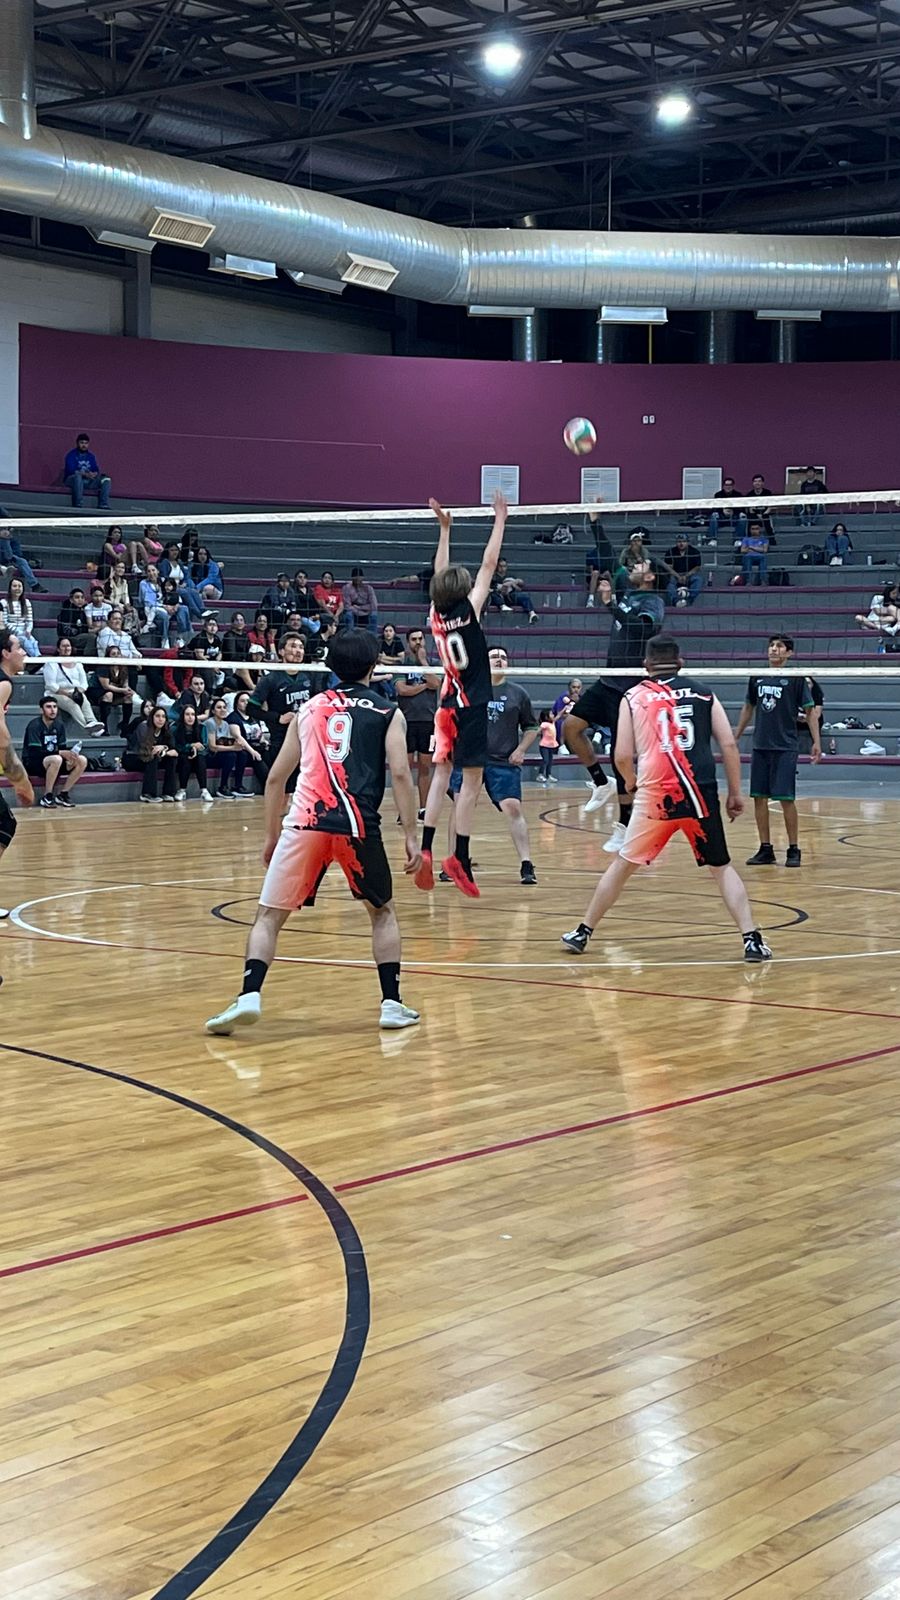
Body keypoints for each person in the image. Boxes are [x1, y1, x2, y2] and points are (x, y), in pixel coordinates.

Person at [205, 629, 422, 1036]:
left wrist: (272, 837)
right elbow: (400, 773)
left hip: (305, 822)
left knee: (269, 916)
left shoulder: (310, 708)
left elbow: (276, 780)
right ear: (374, 666)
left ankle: (249, 994)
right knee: (382, 913)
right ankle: (391, 1002)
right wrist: (411, 833)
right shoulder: (389, 712)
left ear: (328, 665)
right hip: (358, 825)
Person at [560, 635, 772, 964]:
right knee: (721, 867)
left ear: (645, 665)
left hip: (656, 796)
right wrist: (734, 793)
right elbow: (729, 745)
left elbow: (622, 756)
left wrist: (630, 783)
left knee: (623, 865)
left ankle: (582, 932)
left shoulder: (633, 696)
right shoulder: (704, 692)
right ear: (681, 662)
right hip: (699, 792)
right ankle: (751, 939)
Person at [416, 490, 508, 898]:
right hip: (471, 706)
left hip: (447, 704)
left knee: (440, 777)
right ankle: (460, 857)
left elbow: (440, 575)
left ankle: (424, 849)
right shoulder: (469, 611)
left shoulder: (435, 615)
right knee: (470, 784)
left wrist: (445, 530)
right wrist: (501, 519)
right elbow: (489, 564)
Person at [564, 565, 665, 853]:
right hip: (607, 683)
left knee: (620, 758)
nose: (633, 566)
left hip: (630, 691)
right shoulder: (627, 591)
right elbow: (608, 555)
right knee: (570, 727)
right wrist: (595, 520)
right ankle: (599, 781)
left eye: (640, 565)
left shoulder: (653, 603)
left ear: (651, 576)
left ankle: (624, 826)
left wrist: (610, 606)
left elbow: (641, 629)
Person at [444, 646, 539, 885]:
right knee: (459, 807)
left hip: (502, 761)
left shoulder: (518, 693)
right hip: (470, 760)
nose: (499, 660)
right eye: (494, 657)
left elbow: (531, 727)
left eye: (503, 657)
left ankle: (527, 864)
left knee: (513, 808)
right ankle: (454, 860)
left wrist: (520, 750)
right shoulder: (469, 690)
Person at [734, 634, 822, 867]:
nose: (774, 649)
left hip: (785, 746)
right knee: (759, 798)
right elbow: (748, 707)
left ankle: (794, 849)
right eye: (772, 646)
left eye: (779, 646)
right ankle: (765, 849)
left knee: (785, 799)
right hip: (761, 745)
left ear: (789, 653)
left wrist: (816, 741)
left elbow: (810, 711)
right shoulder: (757, 677)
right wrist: (736, 735)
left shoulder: (796, 678)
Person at [0, 628, 35, 919]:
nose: (24, 652)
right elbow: (0, 738)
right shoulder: (3, 684)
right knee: (3, 825)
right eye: (19, 647)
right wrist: (19, 779)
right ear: (5, 653)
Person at [249, 633, 314, 767]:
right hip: (282, 740)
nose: (298, 651)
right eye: (293, 646)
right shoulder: (270, 679)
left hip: (307, 737)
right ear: (281, 651)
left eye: (301, 647)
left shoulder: (310, 675)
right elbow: (251, 709)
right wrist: (278, 718)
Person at [397, 626, 439, 815]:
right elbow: (402, 690)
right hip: (406, 723)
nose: (418, 642)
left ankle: (423, 809)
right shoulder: (402, 664)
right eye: (414, 639)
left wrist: (423, 661)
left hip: (428, 722)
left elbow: (436, 684)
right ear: (408, 643)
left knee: (425, 768)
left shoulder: (432, 663)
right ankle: (404, 810)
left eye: (420, 639)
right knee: (403, 769)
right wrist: (424, 686)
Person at [22, 695, 88, 808]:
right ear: (41, 710)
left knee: (81, 760)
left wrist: (69, 758)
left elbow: (62, 747)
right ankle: (47, 796)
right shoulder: (34, 725)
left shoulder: (59, 725)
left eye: (55, 707)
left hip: (53, 761)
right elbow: (35, 752)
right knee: (56, 759)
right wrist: (61, 754)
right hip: (34, 763)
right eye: (48, 707)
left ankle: (63, 794)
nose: (52, 710)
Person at [43, 637, 105, 735]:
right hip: (56, 693)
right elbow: (51, 685)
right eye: (63, 646)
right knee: (73, 705)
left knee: (84, 700)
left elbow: (84, 683)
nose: (66, 648)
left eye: (68, 646)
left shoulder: (78, 663)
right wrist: (67, 694)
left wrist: (79, 691)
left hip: (75, 692)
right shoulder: (52, 663)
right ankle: (88, 728)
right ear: (58, 649)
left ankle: (92, 721)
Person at [127, 705, 179, 801]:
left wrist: (164, 748)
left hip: (153, 758)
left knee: (172, 759)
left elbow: (175, 752)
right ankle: (147, 794)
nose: (161, 719)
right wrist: (164, 750)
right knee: (153, 757)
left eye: (163, 716)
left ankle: (168, 793)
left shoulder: (166, 731)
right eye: (157, 716)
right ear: (152, 717)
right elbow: (148, 750)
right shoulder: (144, 727)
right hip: (134, 757)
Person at [206, 696, 250, 799]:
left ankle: (238, 785)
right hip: (208, 756)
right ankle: (222, 787)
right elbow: (212, 747)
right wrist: (233, 748)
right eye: (219, 707)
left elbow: (225, 743)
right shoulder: (210, 723)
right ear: (213, 711)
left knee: (242, 754)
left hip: (221, 754)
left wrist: (237, 745)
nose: (222, 710)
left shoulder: (226, 723)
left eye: (224, 707)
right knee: (231, 755)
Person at [172, 704, 213, 801]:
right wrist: (191, 746)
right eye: (187, 714)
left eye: (193, 714)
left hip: (198, 755)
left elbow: (204, 746)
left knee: (200, 758)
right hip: (182, 755)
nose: (190, 717)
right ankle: (182, 790)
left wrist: (196, 749)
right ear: (182, 716)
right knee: (185, 759)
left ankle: (204, 790)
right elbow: (176, 746)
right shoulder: (175, 728)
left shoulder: (202, 727)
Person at [0, 516, 47, 595]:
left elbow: (11, 556)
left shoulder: (14, 541)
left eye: (4, 529)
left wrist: (5, 540)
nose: (3, 531)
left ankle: (35, 585)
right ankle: (4, 568)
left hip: (8, 560)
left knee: (22, 561)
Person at [64, 433, 111, 510]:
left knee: (106, 479)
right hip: (72, 480)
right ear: (77, 443)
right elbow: (71, 470)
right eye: (82, 443)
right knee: (78, 476)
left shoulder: (91, 456)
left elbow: (96, 469)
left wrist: (94, 474)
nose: (84, 445)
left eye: (86, 443)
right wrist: (85, 474)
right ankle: (78, 504)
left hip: (87, 481)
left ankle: (103, 504)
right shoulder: (71, 455)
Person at [488, 558, 538, 624]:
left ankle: (532, 614)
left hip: (510, 597)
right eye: (500, 566)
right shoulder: (492, 577)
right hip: (498, 598)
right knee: (494, 594)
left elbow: (520, 586)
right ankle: (502, 606)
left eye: (504, 566)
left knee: (524, 596)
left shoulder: (510, 576)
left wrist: (514, 582)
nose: (503, 568)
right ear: (497, 566)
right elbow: (488, 589)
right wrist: (499, 588)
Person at [1, 576, 40, 658]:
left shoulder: (27, 602)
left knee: (33, 641)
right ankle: (35, 658)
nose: (17, 588)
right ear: (10, 588)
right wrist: (18, 632)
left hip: (24, 631)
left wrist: (28, 630)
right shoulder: (4, 602)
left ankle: (38, 658)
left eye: (19, 586)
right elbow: (5, 622)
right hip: (11, 632)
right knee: (24, 640)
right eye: (14, 586)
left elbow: (29, 620)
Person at [662, 536, 703, 607]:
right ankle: (676, 600)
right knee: (668, 580)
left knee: (698, 579)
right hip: (675, 575)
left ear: (687, 542)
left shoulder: (695, 551)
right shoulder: (670, 552)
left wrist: (686, 576)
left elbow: (697, 567)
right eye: (679, 542)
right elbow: (669, 568)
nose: (681, 544)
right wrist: (678, 577)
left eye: (684, 541)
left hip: (689, 575)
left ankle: (689, 600)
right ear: (676, 542)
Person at [708, 478, 747, 545]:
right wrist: (722, 511)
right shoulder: (718, 495)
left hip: (734, 517)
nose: (728, 487)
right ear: (723, 486)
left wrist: (733, 512)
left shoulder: (738, 495)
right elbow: (715, 508)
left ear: (733, 486)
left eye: (730, 485)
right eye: (726, 485)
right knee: (714, 515)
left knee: (743, 517)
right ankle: (713, 539)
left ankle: (738, 540)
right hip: (722, 517)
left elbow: (742, 508)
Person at [342, 567, 379, 632]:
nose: (357, 579)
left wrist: (359, 608)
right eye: (355, 577)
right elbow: (347, 606)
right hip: (353, 613)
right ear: (352, 578)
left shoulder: (369, 588)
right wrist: (358, 611)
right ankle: (350, 637)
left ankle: (373, 639)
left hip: (366, 612)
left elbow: (374, 605)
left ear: (362, 577)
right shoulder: (347, 588)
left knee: (374, 615)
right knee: (348, 614)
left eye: (359, 577)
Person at [552, 678, 583, 746]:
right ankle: (561, 746)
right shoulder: (563, 697)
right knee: (561, 723)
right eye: (573, 687)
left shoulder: (582, 698)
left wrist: (577, 702)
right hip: (562, 719)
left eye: (578, 687)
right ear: (569, 687)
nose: (576, 690)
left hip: (576, 719)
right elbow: (559, 714)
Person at [739, 518, 769, 586]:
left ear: (760, 529)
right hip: (749, 556)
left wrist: (751, 547)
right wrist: (758, 549)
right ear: (750, 530)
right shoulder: (746, 539)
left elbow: (764, 550)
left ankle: (763, 581)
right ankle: (748, 581)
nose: (754, 531)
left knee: (763, 558)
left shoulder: (764, 539)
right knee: (747, 558)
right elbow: (742, 550)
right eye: (753, 529)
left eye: (756, 529)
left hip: (760, 557)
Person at [538, 709, 558, 783]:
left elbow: (558, 716)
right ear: (546, 717)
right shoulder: (544, 724)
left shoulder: (552, 723)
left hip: (551, 745)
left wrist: (564, 709)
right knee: (545, 760)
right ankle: (540, 775)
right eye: (551, 714)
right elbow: (538, 730)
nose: (553, 715)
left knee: (550, 761)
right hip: (544, 746)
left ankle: (548, 775)